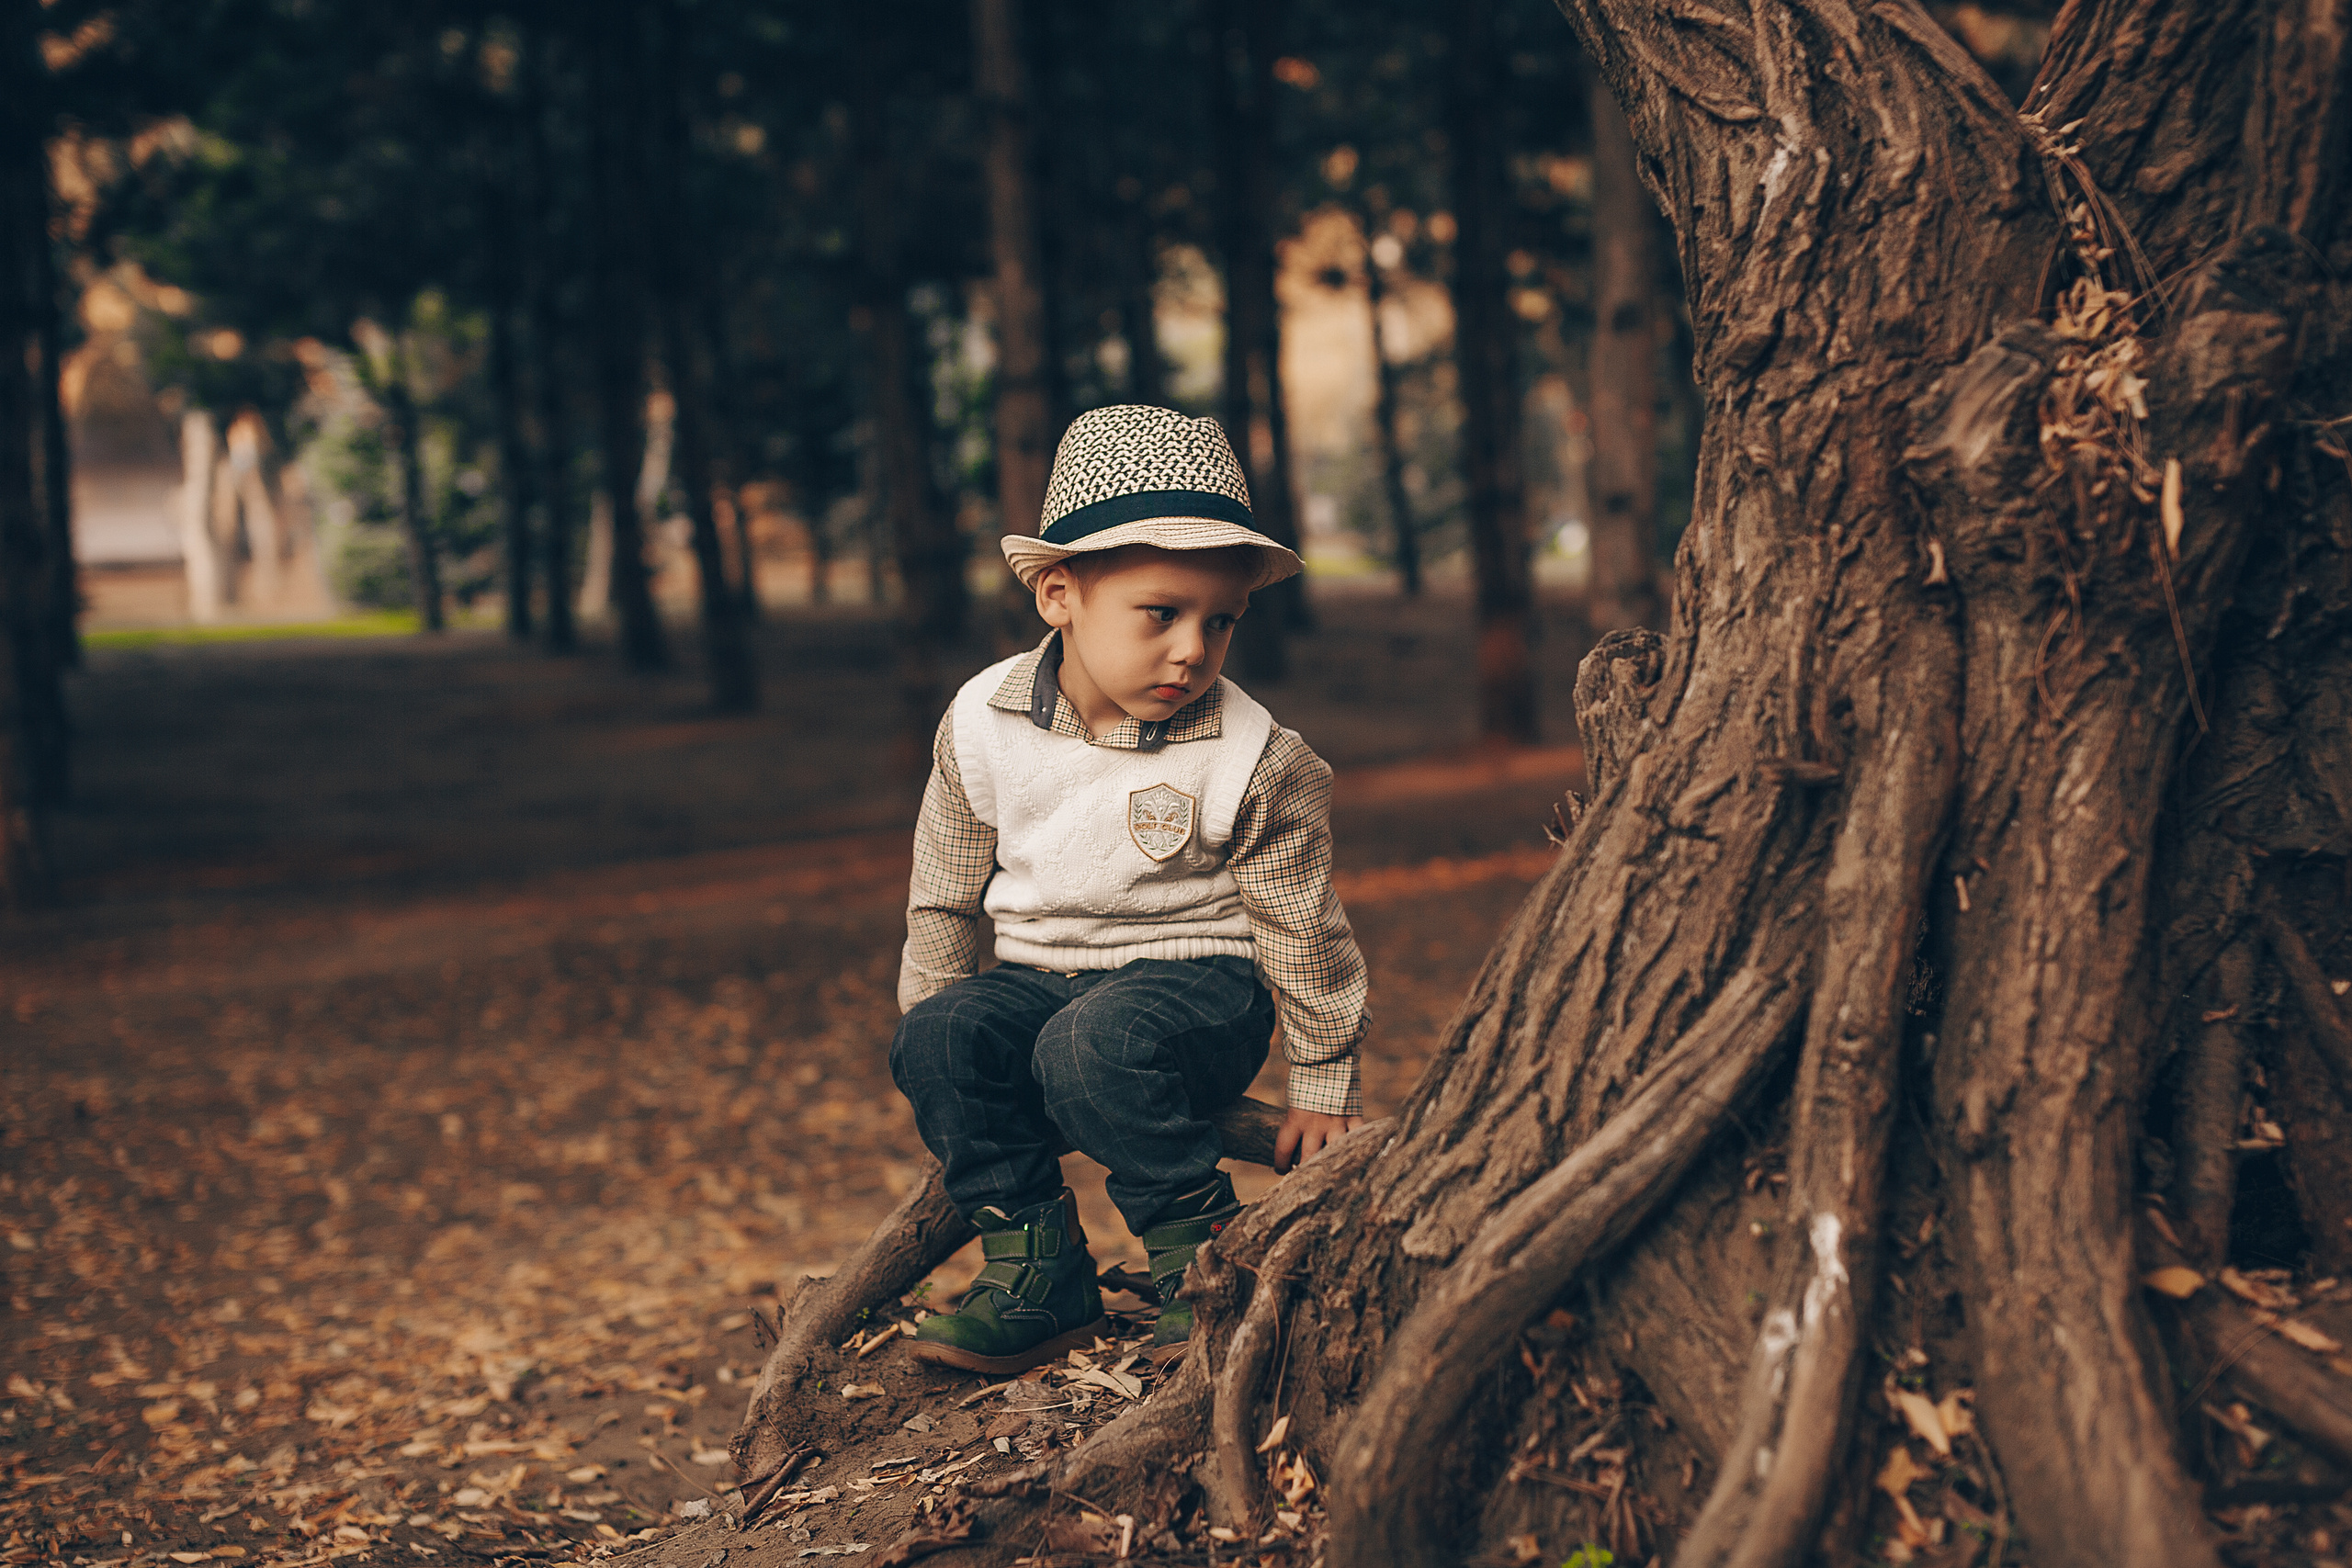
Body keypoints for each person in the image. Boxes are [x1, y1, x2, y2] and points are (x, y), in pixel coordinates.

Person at [891, 404, 1370, 1373]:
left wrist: (1323, 1080)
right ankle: (1037, 1271)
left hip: (1197, 984)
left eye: (1220, 620)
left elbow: (1303, 929)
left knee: (1096, 1042)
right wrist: (954, 1059)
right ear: (1058, 594)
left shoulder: (1253, 756)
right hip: (1040, 976)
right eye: (1161, 614)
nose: (1193, 649)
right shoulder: (982, 724)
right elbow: (943, 889)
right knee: (939, 1033)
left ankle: (1203, 1269)